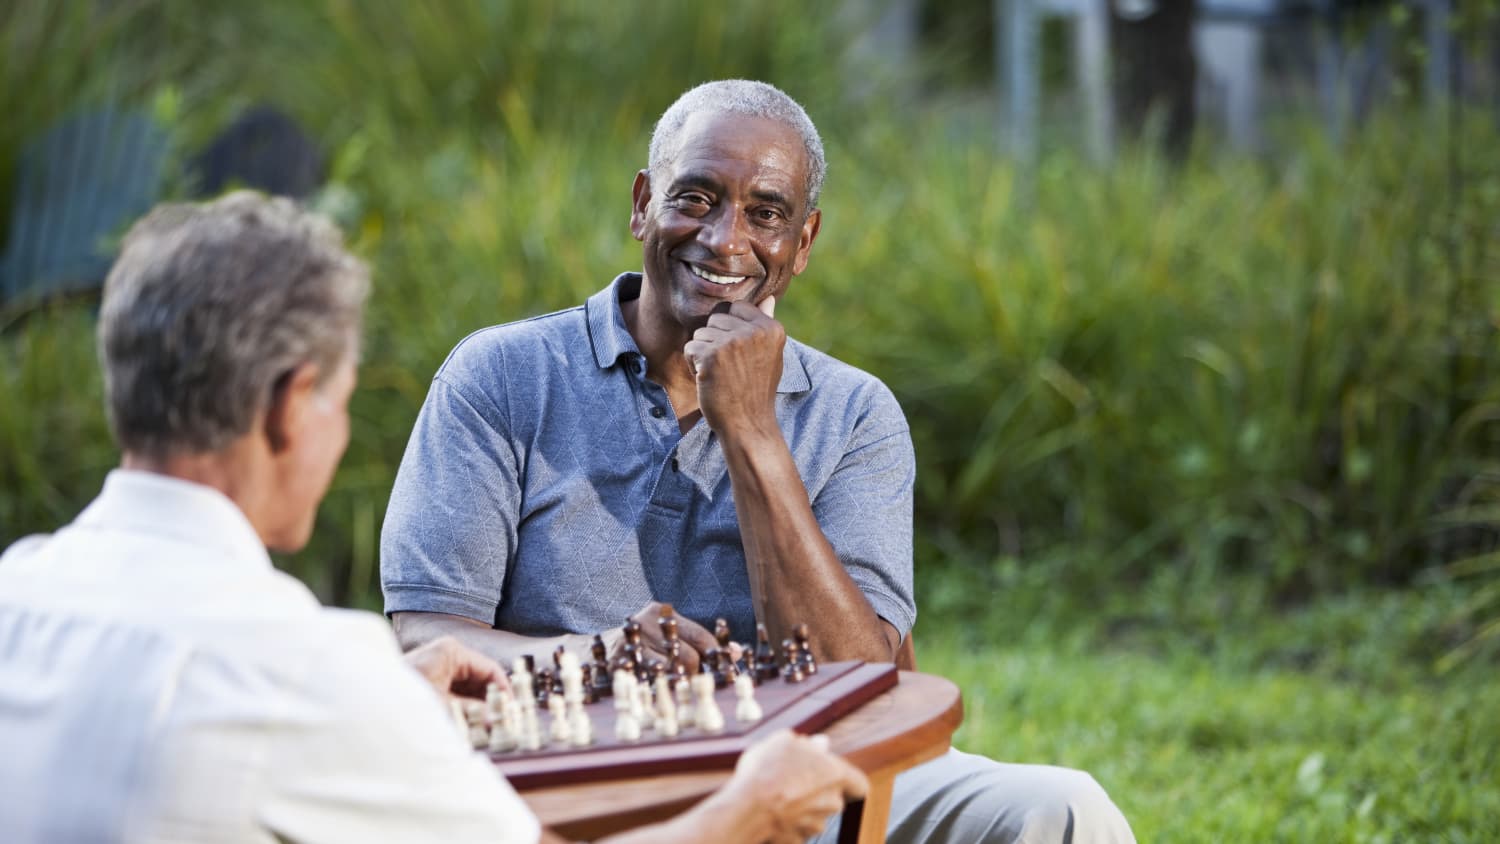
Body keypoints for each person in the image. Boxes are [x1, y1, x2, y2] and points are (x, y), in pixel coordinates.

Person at [381, 80, 1137, 843]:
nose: (724, 239)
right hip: (569, 788)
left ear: (801, 244)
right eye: (696, 198)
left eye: (765, 214)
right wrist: (596, 655)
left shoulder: (856, 412)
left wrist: (751, 432)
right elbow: (427, 633)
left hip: (804, 778)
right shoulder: (502, 375)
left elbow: (864, 678)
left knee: (1063, 807)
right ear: (643, 203)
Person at [0, 192, 867, 844]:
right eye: (341, 400)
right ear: (290, 407)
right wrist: (749, 808)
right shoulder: (302, 670)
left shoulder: (16, 591)